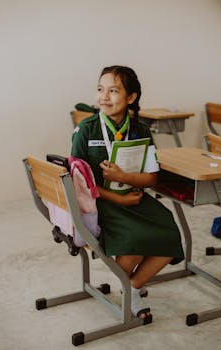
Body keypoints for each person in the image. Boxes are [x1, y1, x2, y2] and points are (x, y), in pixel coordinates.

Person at [71, 65, 184, 320]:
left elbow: (152, 177)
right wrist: (116, 196)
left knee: (169, 232)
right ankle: (130, 288)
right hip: (102, 202)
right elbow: (79, 183)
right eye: (101, 89)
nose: (104, 96)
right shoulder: (86, 130)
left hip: (134, 198)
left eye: (113, 90)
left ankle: (132, 286)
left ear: (131, 98)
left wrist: (123, 178)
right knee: (134, 240)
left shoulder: (140, 130)